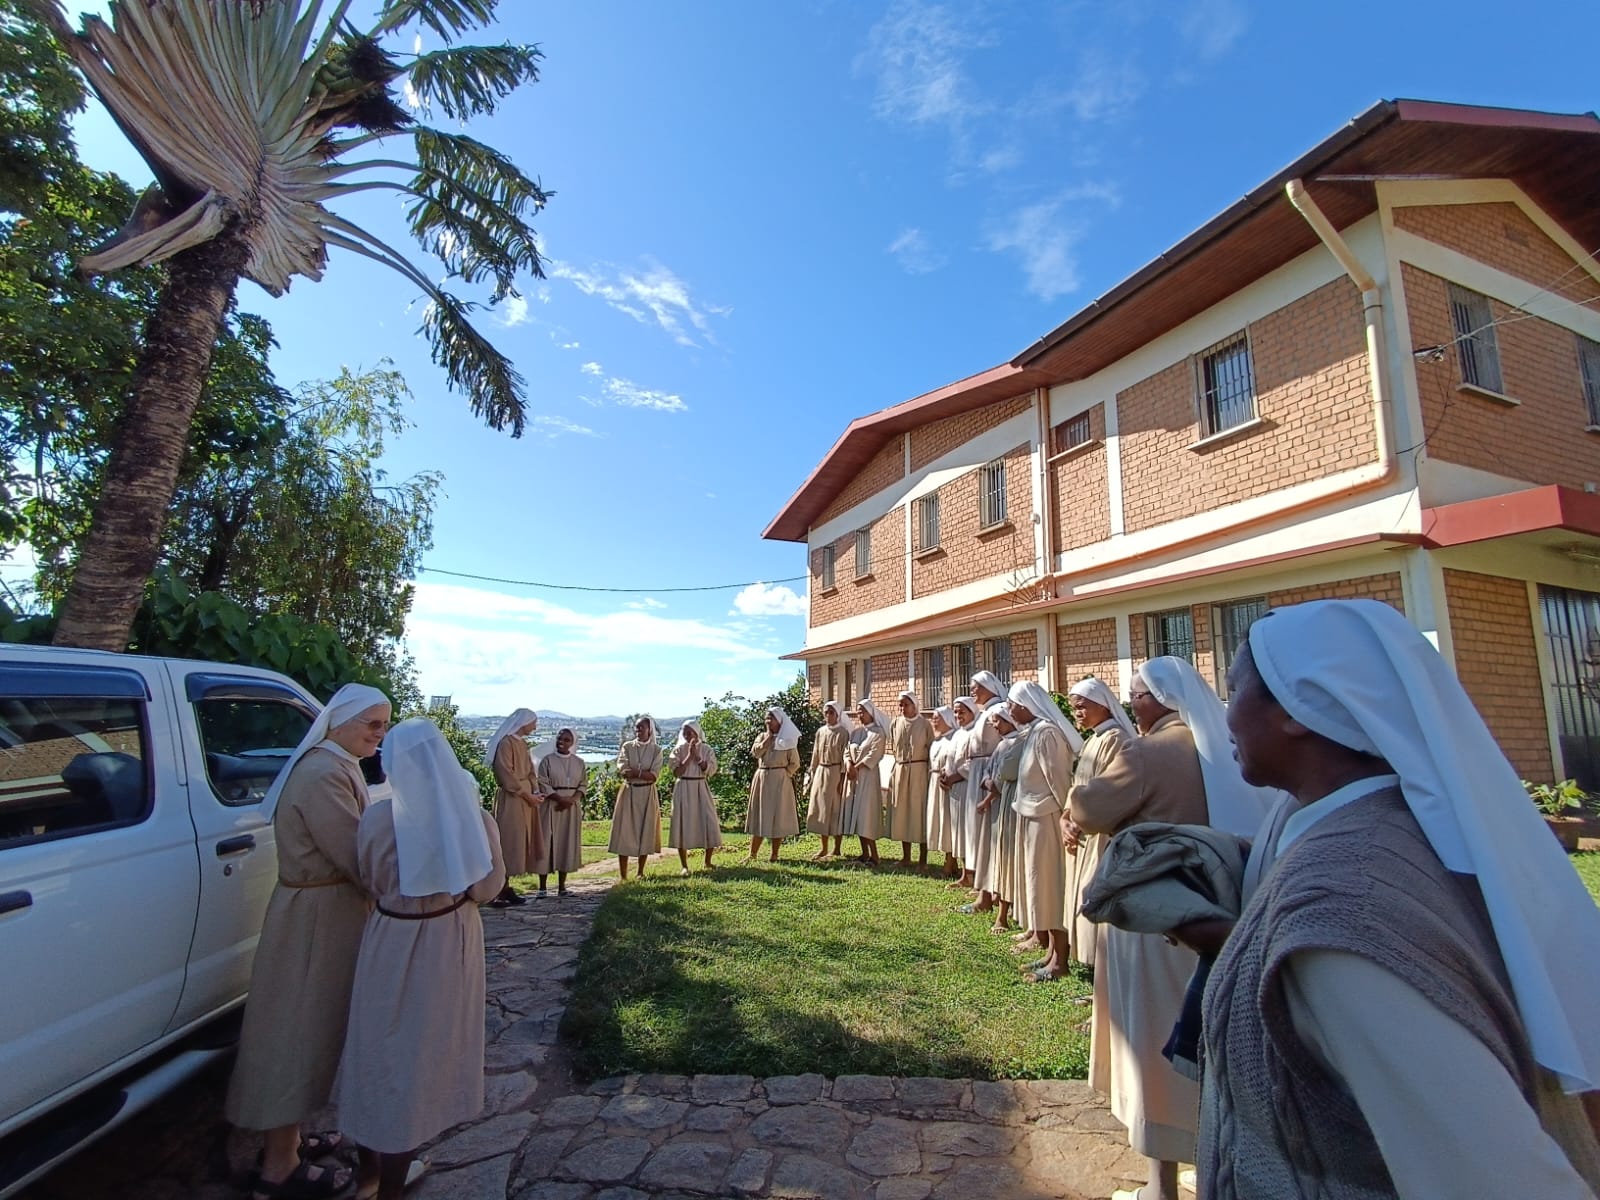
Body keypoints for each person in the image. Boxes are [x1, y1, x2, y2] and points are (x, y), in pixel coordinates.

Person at [1188, 599, 1600, 1199]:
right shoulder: (1398, 828)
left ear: (1296, 708)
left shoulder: (1343, 909)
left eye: (1236, 690)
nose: (1224, 716)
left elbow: (1493, 1174)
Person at [1072, 657, 1273, 1200]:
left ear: (1156, 698)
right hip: (1211, 910)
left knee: (1152, 1038)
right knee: (1200, 1035)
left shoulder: (1147, 751)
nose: (1133, 704)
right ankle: (1206, 1160)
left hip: (1155, 916)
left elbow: (1088, 807)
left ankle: (1159, 1185)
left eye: (1137, 695)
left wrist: (1081, 802)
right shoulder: (1215, 750)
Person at [225, 683, 391, 1200]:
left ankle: (291, 1141)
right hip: (317, 919)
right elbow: (355, 852)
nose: (379, 735)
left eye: (383, 725)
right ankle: (278, 1167)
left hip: (324, 911)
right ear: (339, 723)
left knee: (309, 1030)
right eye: (372, 724)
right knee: (296, 1033)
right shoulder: (324, 773)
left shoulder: (334, 765)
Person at [335, 719, 505, 1200]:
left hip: (389, 935)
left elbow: (367, 875)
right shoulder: (471, 818)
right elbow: (488, 888)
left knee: (377, 1045)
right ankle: (390, 1180)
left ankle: (372, 1167)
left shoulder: (375, 817)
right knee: (421, 1052)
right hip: (444, 941)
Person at [1005, 680, 1081, 982]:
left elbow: (1058, 780)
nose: (1009, 710)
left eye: (1012, 704)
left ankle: (1060, 961)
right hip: (1032, 814)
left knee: (1049, 884)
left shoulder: (1048, 734)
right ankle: (1050, 951)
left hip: (1048, 818)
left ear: (1025, 706)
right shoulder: (1035, 732)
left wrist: (1067, 818)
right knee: (1039, 884)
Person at [1063, 677, 1137, 971]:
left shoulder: (1115, 739)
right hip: (1081, 829)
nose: (1077, 713)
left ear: (1104, 706)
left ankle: (1101, 972)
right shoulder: (1095, 737)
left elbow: (1107, 790)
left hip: (1099, 833)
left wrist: (1078, 820)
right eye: (1075, 708)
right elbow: (1078, 786)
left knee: (1095, 893)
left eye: (1082, 707)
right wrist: (1065, 818)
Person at [967, 705, 1021, 921]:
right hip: (995, 804)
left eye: (998, 721)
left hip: (1004, 805)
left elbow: (1003, 777)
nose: (995, 726)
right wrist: (988, 783)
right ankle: (987, 895)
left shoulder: (1016, 742)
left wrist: (989, 792)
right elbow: (990, 771)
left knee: (1004, 853)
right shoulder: (1003, 744)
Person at [485, 708, 543, 905]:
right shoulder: (506, 744)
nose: (535, 727)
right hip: (513, 799)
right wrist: (527, 795)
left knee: (518, 841)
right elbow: (505, 773)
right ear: (524, 723)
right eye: (533, 722)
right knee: (507, 841)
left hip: (525, 800)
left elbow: (530, 772)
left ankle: (505, 888)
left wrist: (535, 792)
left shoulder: (522, 744)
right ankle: (496, 889)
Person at [745, 706, 802, 862]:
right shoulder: (761, 737)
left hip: (779, 781)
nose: (768, 721)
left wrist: (784, 775)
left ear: (780, 721)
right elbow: (755, 752)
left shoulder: (788, 740)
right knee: (760, 816)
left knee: (778, 816)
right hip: (762, 777)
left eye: (772, 718)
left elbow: (795, 763)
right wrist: (768, 739)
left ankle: (774, 854)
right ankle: (752, 854)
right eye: (767, 718)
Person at [534, 727, 585, 896]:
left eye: (566, 740)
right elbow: (543, 782)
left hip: (571, 807)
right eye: (559, 739)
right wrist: (560, 799)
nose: (562, 742)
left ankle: (562, 886)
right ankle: (542, 887)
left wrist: (572, 799)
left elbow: (583, 785)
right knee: (547, 842)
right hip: (551, 806)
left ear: (572, 743)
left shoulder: (579, 762)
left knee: (566, 843)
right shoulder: (547, 761)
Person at [610, 716, 663, 880]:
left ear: (649, 730)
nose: (638, 731)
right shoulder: (627, 747)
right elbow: (623, 769)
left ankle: (640, 872)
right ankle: (623, 875)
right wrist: (640, 774)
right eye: (636, 728)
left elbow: (653, 776)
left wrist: (637, 773)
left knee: (645, 831)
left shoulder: (656, 750)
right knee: (624, 832)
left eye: (641, 728)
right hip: (629, 792)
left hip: (647, 794)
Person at [886, 691, 934, 868]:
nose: (902, 708)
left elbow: (930, 750)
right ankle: (906, 857)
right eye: (900, 705)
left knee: (919, 812)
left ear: (914, 705)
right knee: (902, 813)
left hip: (919, 772)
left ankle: (923, 859)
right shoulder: (895, 723)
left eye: (906, 704)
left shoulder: (925, 725)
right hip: (900, 771)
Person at [667, 719, 721, 874]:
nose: (687, 735)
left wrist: (697, 757)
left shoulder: (707, 749)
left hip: (700, 786)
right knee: (681, 823)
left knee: (709, 821)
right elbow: (676, 772)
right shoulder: (678, 750)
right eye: (685, 732)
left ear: (697, 733)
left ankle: (708, 862)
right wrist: (689, 756)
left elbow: (711, 770)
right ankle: (684, 865)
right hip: (683, 787)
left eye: (690, 732)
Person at [941, 696, 982, 890]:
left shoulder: (976, 732)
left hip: (967, 786)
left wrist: (955, 776)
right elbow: (952, 759)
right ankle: (965, 874)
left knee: (969, 831)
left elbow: (972, 762)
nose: (958, 715)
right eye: (955, 712)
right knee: (959, 832)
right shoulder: (958, 734)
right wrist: (945, 774)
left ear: (972, 712)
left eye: (962, 711)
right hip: (954, 789)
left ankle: (974, 875)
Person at [841, 699, 887, 866]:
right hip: (853, 779)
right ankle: (864, 853)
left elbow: (875, 755)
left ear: (871, 713)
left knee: (866, 814)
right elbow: (847, 751)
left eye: (863, 712)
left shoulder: (878, 733)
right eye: (858, 712)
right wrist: (848, 764)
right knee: (857, 813)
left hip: (867, 777)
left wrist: (857, 767)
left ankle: (875, 855)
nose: (860, 715)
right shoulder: (855, 733)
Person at [805, 700, 852, 859]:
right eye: (826, 712)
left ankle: (837, 848)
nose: (828, 715)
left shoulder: (843, 733)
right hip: (821, 772)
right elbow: (815, 754)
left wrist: (842, 778)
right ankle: (823, 847)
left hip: (835, 773)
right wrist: (811, 773)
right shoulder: (820, 732)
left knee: (835, 810)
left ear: (838, 714)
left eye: (831, 712)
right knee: (821, 810)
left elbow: (845, 757)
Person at [925, 705, 960, 877]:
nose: (934, 721)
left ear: (947, 719)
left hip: (948, 785)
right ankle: (947, 858)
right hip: (934, 782)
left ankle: (951, 859)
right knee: (939, 820)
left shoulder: (955, 738)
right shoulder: (936, 741)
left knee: (948, 820)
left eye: (937, 718)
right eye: (933, 718)